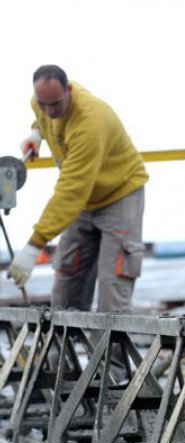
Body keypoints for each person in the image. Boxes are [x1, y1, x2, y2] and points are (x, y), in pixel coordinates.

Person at [8, 64, 149, 382]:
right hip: (84, 198)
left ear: (68, 91)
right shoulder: (42, 104)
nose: (48, 110)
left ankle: (111, 373)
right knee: (67, 277)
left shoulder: (91, 122)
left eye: (55, 105)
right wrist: (36, 133)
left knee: (113, 284)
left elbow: (70, 191)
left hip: (119, 194)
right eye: (42, 104)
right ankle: (60, 366)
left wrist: (34, 244)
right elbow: (43, 118)